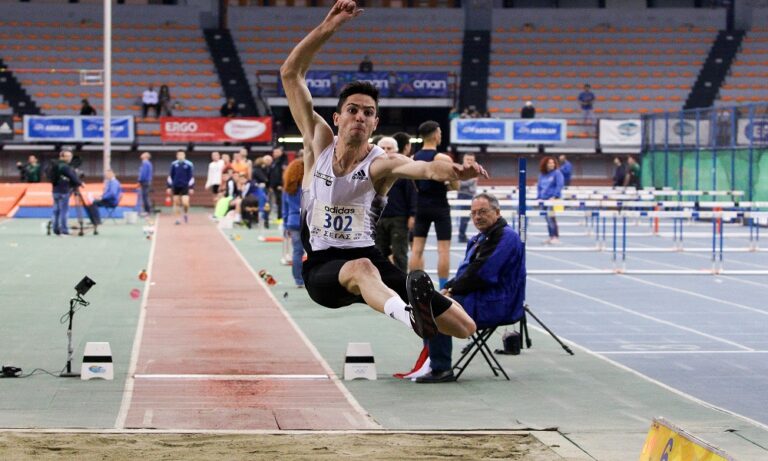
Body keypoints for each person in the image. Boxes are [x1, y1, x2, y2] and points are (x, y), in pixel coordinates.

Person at [280, 0, 486, 342]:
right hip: (321, 267)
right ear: (337, 117)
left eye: (368, 112)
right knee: (361, 270)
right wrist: (328, 27)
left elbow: (423, 168)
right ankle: (411, 319)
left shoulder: (380, 163)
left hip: (369, 258)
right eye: (353, 109)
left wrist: (453, 171)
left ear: (375, 122)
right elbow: (290, 73)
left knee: (465, 327)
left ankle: (416, 312)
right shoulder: (317, 141)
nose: (360, 116)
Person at [416, 193, 526, 383]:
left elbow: (482, 273)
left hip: (496, 303)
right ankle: (430, 363)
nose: (477, 217)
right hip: (479, 297)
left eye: (483, 212)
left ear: (497, 212)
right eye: (473, 213)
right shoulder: (478, 239)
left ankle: (441, 369)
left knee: (438, 308)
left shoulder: (506, 237)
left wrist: (452, 291)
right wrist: (450, 287)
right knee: (427, 303)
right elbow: (466, 273)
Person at [409, 120, 457, 290]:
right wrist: (447, 184)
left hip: (421, 206)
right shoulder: (442, 158)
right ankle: (443, 287)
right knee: (443, 250)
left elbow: (413, 185)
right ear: (436, 134)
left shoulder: (412, 158)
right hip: (440, 206)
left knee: (416, 249)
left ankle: (415, 287)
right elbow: (455, 185)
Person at [374, 136, 416, 273]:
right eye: (383, 148)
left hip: (398, 218)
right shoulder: (372, 169)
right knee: (378, 254)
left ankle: (402, 285)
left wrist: (412, 215)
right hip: (377, 218)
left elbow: (411, 194)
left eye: (389, 148)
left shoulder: (403, 169)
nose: (386, 151)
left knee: (400, 254)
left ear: (396, 150)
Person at [282, 158, 305, 287]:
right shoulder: (308, 187)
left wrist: (285, 226)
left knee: (297, 252)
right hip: (307, 221)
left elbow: (284, 210)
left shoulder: (287, 189)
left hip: (292, 221)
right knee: (314, 251)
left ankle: (298, 280)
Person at [50, 150, 83, 236]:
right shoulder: (65, 167)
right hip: (64, 191)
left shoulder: (54, 165)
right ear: (62, 157)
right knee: (64, 211)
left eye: (70, 156)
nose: (69, 158)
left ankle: (55, 228)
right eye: (67, 156)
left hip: (55, 190)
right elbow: (73, 177)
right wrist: (80, 183)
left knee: (56, 210)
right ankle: (64, 230)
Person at [537, 156, 563, 245]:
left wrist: (555, 196)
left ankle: (555, 237)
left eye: (553, 163)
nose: (552, 164)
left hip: (552, 199)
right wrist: (538, 197)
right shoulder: (541, 175)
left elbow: (559, 185)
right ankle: (551, 236)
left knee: (551, 217)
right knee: (547, 219)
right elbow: (539, 187)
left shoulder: (557, 173)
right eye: (549, 163)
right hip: (543, 199)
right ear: (545, 164)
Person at [166, 150, 194, 225]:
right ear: (177, 156)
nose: (180, 156)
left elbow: (191, 177)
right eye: (179, 155)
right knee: (176, 202)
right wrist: (168, 187)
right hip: (176, 185)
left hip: (185, 185)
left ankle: (185, 213)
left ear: (184, 156)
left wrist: (191, 187)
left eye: (182, 154)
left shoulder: (189, 164)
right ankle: (178, 219)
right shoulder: (174, 164)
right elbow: (170, 176)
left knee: (185, 203)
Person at [457, 153, 478, 243]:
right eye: (467, 159)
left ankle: (462, 234)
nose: (469, 161)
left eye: (471, 160)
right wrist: (471, 180)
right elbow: (459, 184)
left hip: (471, 195)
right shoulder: (460, 169)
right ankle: (461, 236)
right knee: (464, 216)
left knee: (467, 216)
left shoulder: (474, 170)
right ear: (463, 160)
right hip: (463, 194)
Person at [268, 146, 287, 219]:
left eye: (277, 152)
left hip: (279, 186)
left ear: (281, 153)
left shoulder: (283, 161)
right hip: (273, 186)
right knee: (274, 202)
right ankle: (277, 216)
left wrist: (282, 184)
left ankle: (281, 217)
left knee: (280, 201)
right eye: (274, 152)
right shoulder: (274, 162)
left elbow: (284, 174)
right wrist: (270, 185)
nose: (274, 153)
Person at [137, 152, 153, 216]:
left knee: (145, 196)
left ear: (145, 156)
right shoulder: (147, 163)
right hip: (146, 181)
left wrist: (140, 180)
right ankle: (147, 210)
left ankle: (148, 210)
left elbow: (143, 173)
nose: (141, 154)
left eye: (143, 154)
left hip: (145, 181)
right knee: (145, 196)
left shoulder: (145, 163)